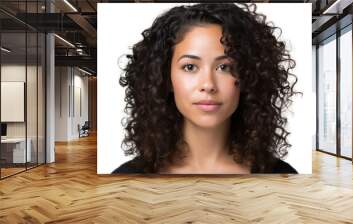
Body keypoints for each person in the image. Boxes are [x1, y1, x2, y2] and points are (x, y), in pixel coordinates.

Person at [113, 3, 298, 174]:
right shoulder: (126, 178)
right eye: (190, 67)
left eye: (224, 67)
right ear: (165, 78)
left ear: (247, 77)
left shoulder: (282, 175)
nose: (208, 85)